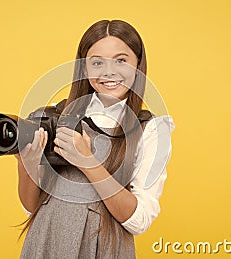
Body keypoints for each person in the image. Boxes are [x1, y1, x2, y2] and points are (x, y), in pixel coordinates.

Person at [15, 19, 175, 258]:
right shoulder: (53, 117)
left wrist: (89, 163)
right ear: (84, 68)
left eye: (121, 60)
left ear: (138, 64)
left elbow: (138, 220)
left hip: (103, 248)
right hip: (46, 241)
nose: (109, 72)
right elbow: (31, 207)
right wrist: (25, 161)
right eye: (97, 62)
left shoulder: (151, 130)